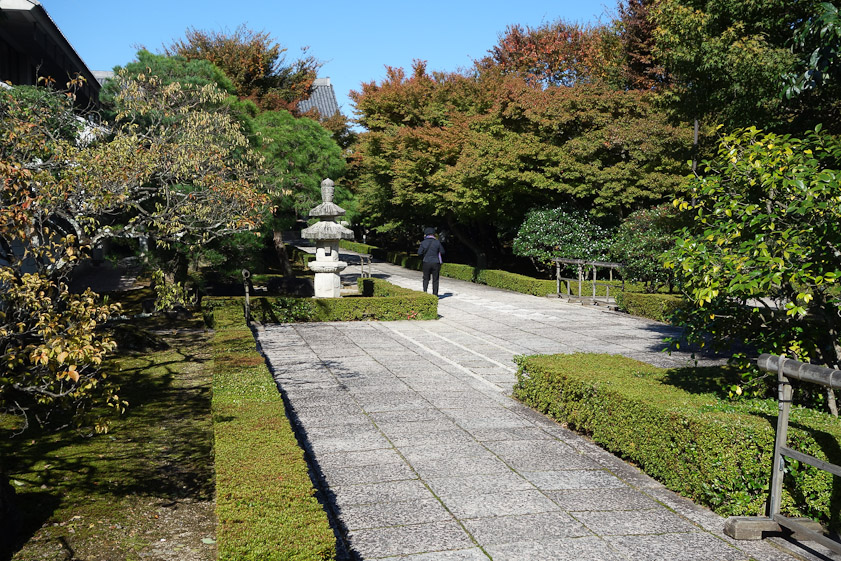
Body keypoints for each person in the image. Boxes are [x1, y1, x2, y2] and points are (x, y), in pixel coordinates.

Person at [417, 227, 445, 296]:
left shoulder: (423, 242)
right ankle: (435, 295)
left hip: (426, 262)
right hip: (436, 262)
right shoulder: (437, 242)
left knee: (426, 278)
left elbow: (419, 253)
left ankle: (425, 292)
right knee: (435, 279)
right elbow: (442, 251)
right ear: (433, 234)